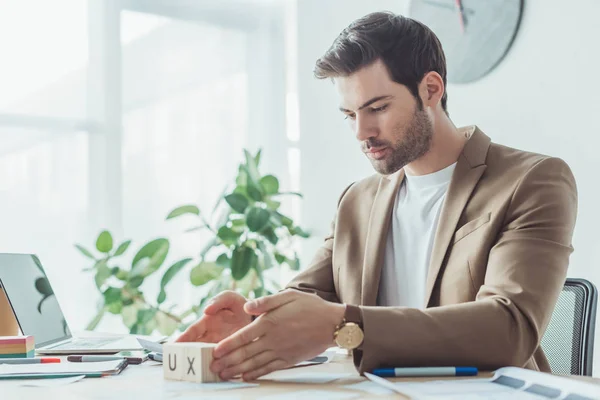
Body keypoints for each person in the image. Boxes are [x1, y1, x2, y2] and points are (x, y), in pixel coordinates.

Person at [176, 11, 577, 381]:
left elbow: (509, 330)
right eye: (350, 115)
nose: (361, 132)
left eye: (378, 108)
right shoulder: (357, 200)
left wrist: (346, 325)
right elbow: (309, 299)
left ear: (431, 89)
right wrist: (254, 324)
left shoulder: (531, 180)